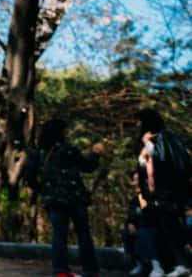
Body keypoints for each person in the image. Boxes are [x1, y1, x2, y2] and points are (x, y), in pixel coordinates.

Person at [24, 118, 104, 277]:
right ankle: (90, 271)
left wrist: (44, 190)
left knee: (59, 235)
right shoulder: (69, 149)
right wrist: (95, 154)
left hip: (54, 201)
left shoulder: (37, 154)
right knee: (83, 235)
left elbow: (30, 178)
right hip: (76, 198)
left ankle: (61, 270)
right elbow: (87, 167)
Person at [136, 110, 191, 277]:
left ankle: (183, 264)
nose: (137, 124)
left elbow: (164, 161)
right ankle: (180, 264)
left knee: (177, 228)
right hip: (157, 196)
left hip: (171, 193)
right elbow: (144, 166)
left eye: (139, 120)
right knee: (167, 229)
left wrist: (148, 145)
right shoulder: (145, 141)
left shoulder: (167, 139)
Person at [122, 171, 164, 276]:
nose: (136, 183)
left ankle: (157, 266)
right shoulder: (134, 201)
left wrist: (145, 201)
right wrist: (130, 224)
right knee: (125, 232)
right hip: (139, 230)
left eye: (138, 180)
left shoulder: (153, 196)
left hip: (153, 230)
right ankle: (139, 263)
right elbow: (130, 217)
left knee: (143, 232)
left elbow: (154, 217)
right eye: (134, 180)